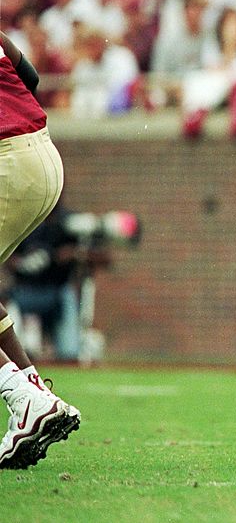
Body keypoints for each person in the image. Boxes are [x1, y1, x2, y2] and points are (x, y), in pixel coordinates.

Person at [0, 31, 81, 469]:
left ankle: (25, 400)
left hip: (8, 159)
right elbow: (28, 76)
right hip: (43, 152)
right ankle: (34, 391)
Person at [4, 201, 84, 362]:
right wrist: (23, 263)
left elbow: (102, 255)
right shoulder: (24, 220)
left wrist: (73, 254)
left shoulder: (69, 221)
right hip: (26, 292)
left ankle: (68, 354)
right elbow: (7, 256)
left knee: (69, 351)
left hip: (57, 292)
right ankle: (16, 356)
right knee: (9, 301)